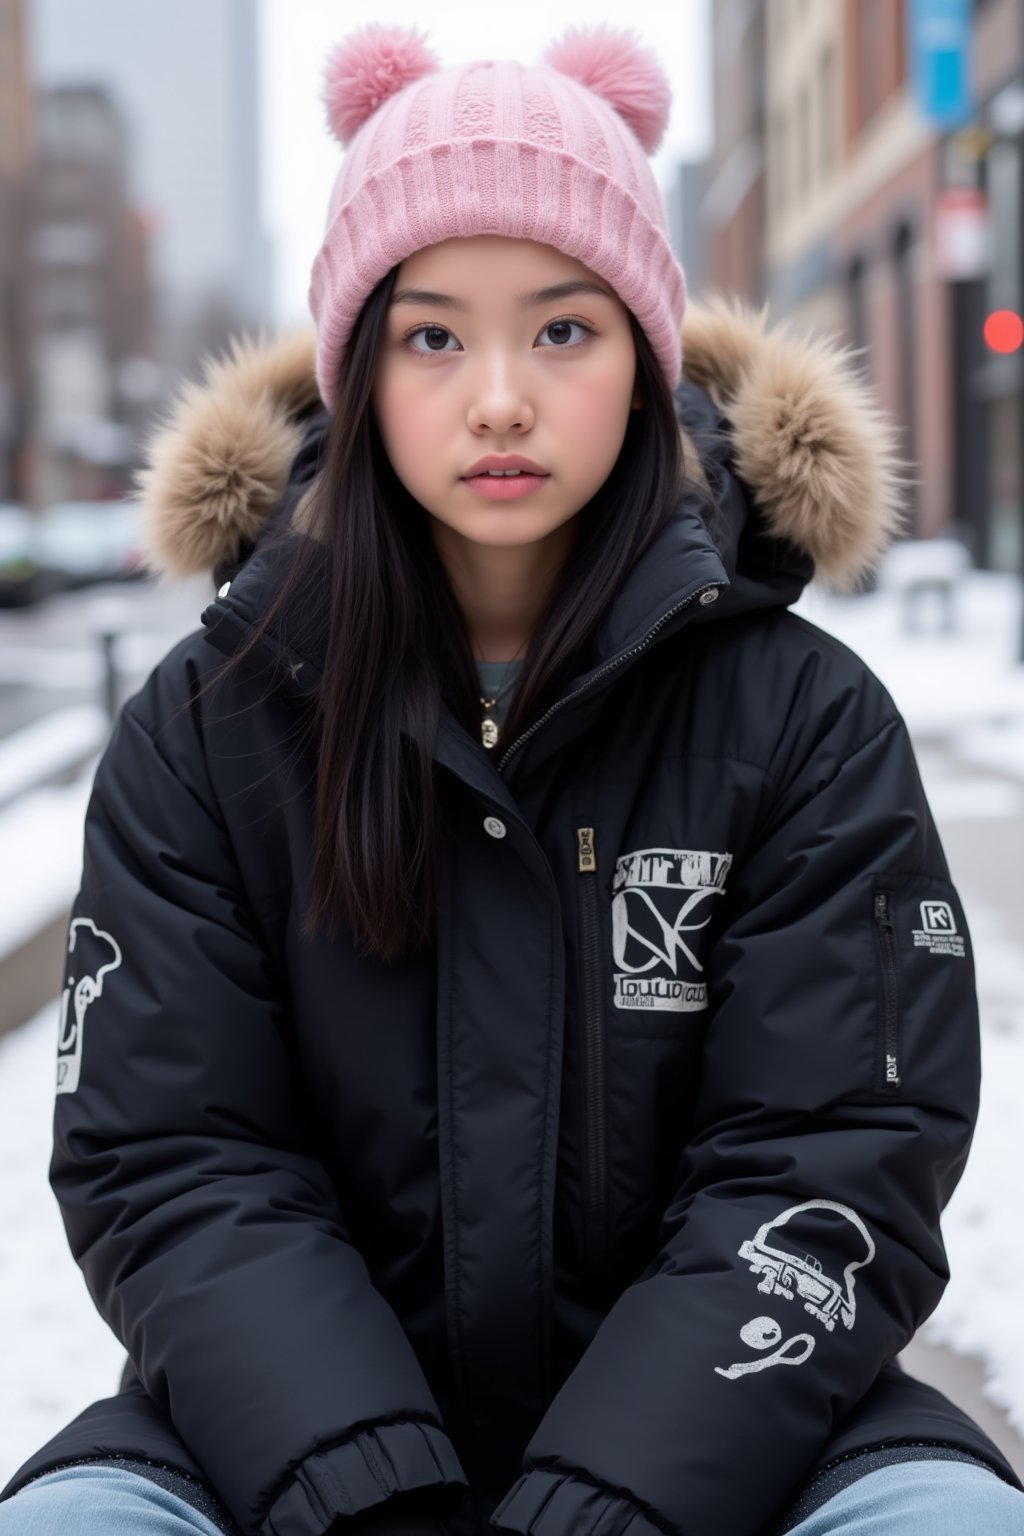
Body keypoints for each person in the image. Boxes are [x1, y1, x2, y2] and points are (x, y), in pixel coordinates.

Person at [1, 20, 1023, 1536]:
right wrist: (372, 1490)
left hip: (737, 1448)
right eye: (432, 335)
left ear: (642, 362)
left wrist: (609, 1498)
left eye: (561, 329)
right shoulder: (208, 723)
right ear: (356, 371)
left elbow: (833, 1156)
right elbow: (176, 1160)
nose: (497, 398)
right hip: (290, 1455)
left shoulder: (803, 717)